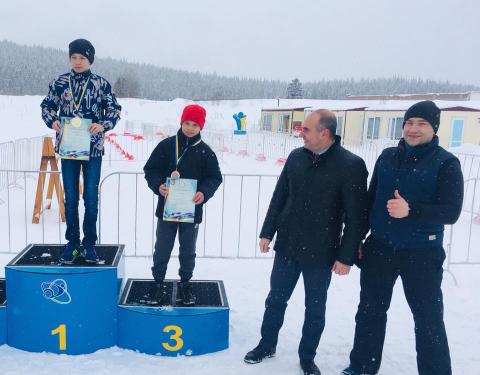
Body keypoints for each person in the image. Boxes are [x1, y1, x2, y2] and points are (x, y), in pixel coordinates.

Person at [342, 101, 464, 375]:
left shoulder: (446, 163)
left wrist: (412, 210)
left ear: (434, 128)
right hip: (380, 248)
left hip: (422, 253)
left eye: (421, 124)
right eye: (409, 123)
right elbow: (370, 201)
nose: (413, 129)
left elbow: (452, 211)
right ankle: (362, 366)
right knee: (370, 312)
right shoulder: (386, 156)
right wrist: (358, 238)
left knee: (428, 320)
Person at [244, 109, 369, 375]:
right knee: (275, 299)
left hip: (322, 252)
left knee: (314, 308)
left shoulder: (350, 165)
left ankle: (307, 357)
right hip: (288, 245)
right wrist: (267, 232)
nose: (301, 133)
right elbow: (280, 196)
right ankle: (266, 345)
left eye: (307, 130)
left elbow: (356, 218)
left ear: (325, 133)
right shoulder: (296, 157)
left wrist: (346, 256)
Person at [40, 38, 121, 264]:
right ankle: (73, 243)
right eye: (73, 57)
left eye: (82, 58)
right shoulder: (60, 82)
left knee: (91, 197)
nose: (77, 62)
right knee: (71, 197)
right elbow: (47, 106)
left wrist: (103, 124)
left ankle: (89, 244)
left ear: (90, 60)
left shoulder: (100, 84)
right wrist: (53, 121)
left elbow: (114, 109)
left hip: (93, 149)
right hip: (69, 148)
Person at [144, 104, 222, 306]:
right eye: (187, 123)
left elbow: (214, 177)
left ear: (201, 127)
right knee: (162, 248)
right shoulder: (167, 145)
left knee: (188, 250)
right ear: (181, 122)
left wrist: (204, 192)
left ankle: (185, 283)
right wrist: (158, 185)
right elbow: (150, 169)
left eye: (195, 124)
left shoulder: (205, 152)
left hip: (191, 212)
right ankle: (158, 281)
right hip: (167, 210)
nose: (190, 128)